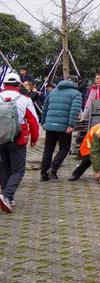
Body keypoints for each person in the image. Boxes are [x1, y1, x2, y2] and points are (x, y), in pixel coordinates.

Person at [0, 73, 40, 213]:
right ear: (19, 84)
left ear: (4, 84)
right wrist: (34, 139)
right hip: (17, 138)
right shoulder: (25, 99)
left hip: (0, 138)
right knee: (18, 170)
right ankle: (6, 195)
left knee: (4, 167)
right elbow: (33, 122)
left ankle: (7, 197)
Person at [40, 77, 82, 181]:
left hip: (49, 125)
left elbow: (45, 107)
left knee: (48, 150)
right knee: (64, 148)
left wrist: (43, 121)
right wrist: (71, 124)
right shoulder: (76, 93)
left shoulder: (53, 92)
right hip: (64, 126)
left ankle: (44, 174)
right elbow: (74, 110)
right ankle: (53, 169)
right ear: (75, 83)